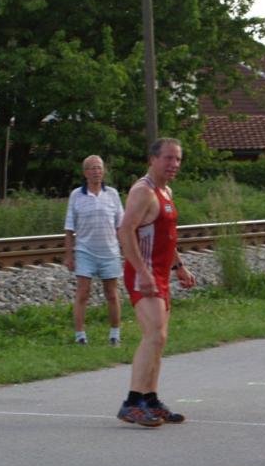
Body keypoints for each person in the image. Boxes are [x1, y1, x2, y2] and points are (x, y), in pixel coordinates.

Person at [116, 138, 196, 427]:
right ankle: (132, 403)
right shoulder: (143, 191)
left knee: (159, 339)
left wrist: (179, 266)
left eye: (178, 159)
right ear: (153, 159)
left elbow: (165, 235)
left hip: (161, 273)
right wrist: (143, 272)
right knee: (154, 336)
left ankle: (150, 399)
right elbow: (125, 231)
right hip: (144, 273)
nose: (174, 164)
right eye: (168, 158)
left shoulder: (166, 191)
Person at [63, 154, 124, 346]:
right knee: (83, 293)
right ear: (85, 173)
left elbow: (121, 226)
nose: (96, 172)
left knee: (112, 293)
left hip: (109, 251)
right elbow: (69, 228)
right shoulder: (76, 195)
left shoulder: (112, 194)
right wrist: (69, 255)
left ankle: (115, 334)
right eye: (92, 168)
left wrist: (126, 250)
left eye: (99, 168)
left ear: (103, 171)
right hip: (85, 251)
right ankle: (80, 336)